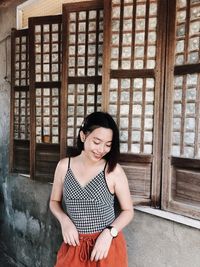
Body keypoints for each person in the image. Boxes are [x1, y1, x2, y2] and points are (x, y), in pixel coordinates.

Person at [49, 111, 134, 267]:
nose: (101, 149)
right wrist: (64, 221)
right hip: (74, 246)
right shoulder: (64, 166)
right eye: (96, 142)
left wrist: (109, 233)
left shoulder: (113, 171)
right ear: (83, 136)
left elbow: (128, 211)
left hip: (105, 248)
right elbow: (54, 201)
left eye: (108, 145)